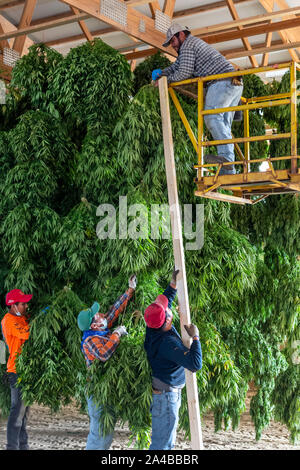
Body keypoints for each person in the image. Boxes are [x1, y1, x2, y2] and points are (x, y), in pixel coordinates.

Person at [152, 23, 243, 175]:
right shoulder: (189, 48)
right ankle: (229, 169)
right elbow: (177, 67)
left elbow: (183, 73)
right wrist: (162, 72)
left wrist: (165, 81)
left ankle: (227, 158)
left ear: (181, 35)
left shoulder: (188, 45)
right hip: (234, 83)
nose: (172, 46)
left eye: (173, 41)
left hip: (222, 82)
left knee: (211, 117)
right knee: (224, 124)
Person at [144, 269, 202, 450]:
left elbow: (164, 302)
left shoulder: (152, 326)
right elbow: (194, 364)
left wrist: (172, 285)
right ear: (167, 321)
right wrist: (196, 339)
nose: (169, 308)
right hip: (167, 398)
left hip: (165, 393)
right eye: (167, 311)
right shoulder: (167, 344)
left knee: (164, 442)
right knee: (162, 446)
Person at [77, 274, 137, 450]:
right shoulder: (90, 341)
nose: (102, 315)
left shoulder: (100, 328)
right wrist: (117, 334)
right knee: (100, 434)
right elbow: (104, 353)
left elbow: (113, 312)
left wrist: (130, 289)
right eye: (97, 317)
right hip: (96, 390)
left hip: (105, 388)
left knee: (107, 433)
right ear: (94, 326)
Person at [1, 289, 33, 450]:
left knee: (24, 411)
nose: (26, 306)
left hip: (25, 370)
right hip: (16, 371)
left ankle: (23, 445)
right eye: (22, 304)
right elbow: (27, 334)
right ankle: (12, 447)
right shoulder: (8, 321)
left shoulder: (21, 317)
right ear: (13, 306)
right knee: (17, 411)